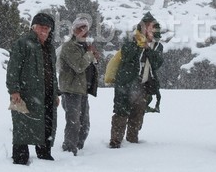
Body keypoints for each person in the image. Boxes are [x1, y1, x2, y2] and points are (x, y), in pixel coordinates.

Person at [6, 13, 60, 165]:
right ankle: (20, 159)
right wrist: (14, 90)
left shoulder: (50, 48)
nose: (44, 31)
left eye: (47, 29)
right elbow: (13, 69)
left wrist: (56, 93)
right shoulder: (22, 43)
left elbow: (52, 73)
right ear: (33, 28)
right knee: (23, 126)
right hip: (26, 94)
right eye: (41, 28)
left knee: (46, 125)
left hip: (47, 94)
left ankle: (44, 155)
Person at [109, 12, 163, 148]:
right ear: (142, 27)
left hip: (143, 86)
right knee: (121, 112)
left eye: (153, 26)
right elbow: (127, 56)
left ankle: (132, 141)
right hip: (125, 83)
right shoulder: (131, 42)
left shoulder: (157, 46)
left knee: (137, 115)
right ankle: (115, 142)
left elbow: (157, 63)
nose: (151, 29)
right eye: (149, 26)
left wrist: (147, 49)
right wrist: (139, 45)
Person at [58, 17, 99, 156]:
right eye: (79, 28)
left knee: (84, 124)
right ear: (73, 30)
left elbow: (89, 65)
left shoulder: (83, 46)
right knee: (73, 123)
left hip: (82, 90)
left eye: (85, 28)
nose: (83, 31)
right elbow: (79, 66)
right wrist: (90, 54)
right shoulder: (69, 46)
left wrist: (92, 56)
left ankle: (78, 147)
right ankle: (69, 150)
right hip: (70, 90)